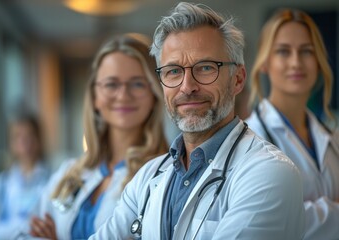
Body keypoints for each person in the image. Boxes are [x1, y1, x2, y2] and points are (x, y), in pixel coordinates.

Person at [89, 2, 305, 239]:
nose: (187, 87)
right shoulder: (148, 177)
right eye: (173, 71)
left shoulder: (269, 173)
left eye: (205, 68)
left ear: (238, 79)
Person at [29, 34, 168, 240]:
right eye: (111, 84)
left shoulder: (164, 176)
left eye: (137, 84)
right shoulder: (69, 173)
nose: (123, 95)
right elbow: (29, 232)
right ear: (94, 96)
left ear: (154, 94)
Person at [246, 8, 339, 240]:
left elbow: (291, 219)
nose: (296, 62)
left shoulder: (331, 137)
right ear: (265, 62)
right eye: (283, 51)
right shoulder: (249, 140)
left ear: (318, 61)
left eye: (306, 51)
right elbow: (267, 224)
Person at [0, 113, 50, 240]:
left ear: (39, 140)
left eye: (29, 136)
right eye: (18, 137)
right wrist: (25, 226)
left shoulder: (52, 180)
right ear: (11, 144)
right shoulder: (0, 184)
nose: (24, 143)